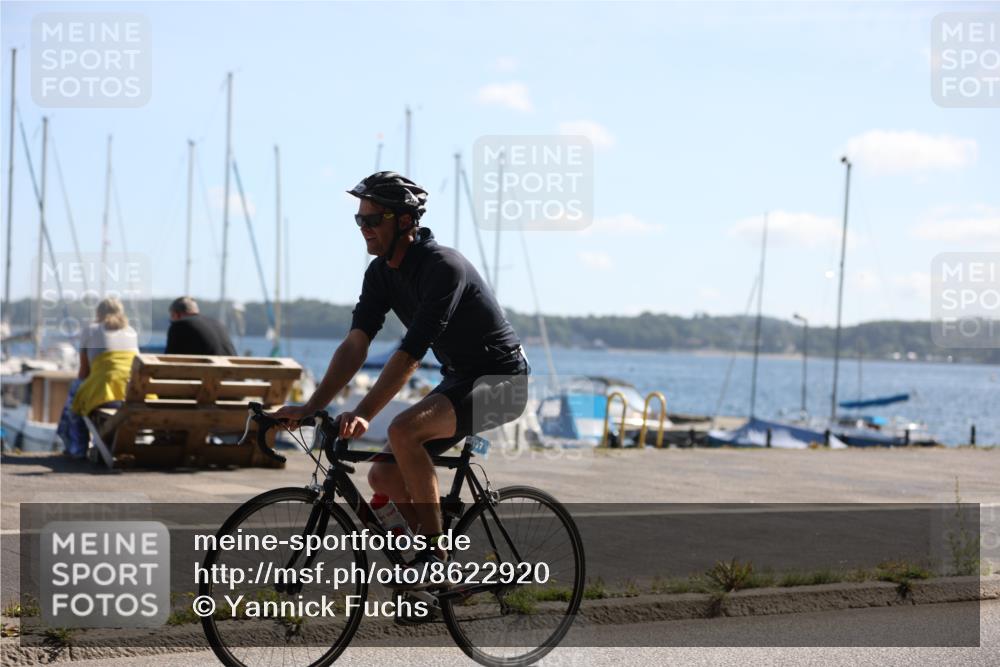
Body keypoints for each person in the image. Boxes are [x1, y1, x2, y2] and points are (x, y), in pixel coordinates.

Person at [275, 171, 528, 579]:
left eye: (373, 220)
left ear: (405, 222)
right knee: (383, 475)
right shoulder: (380, 275)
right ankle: (434, 578)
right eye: (359, 220)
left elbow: (411, 353)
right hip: (460, 378)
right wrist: (311, 406)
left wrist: (364, 412)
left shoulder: (442, 267)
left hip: (502, 381)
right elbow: (356, 343)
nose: (364, 230)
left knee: (404, 430)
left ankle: (436, 558)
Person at [58, 297, 140, 457]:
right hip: (132, 392)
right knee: (78, 395)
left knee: (75, 399)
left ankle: (77, 448)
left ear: (98, 312)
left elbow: (83, 373)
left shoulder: (90, 329)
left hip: (105, 391)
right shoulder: (131, 331)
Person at [164, 296, 237, 356]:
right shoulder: (218, 324)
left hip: (209, 372)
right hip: (235, 372)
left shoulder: (179, 325)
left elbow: (169, 359)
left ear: (176, 314)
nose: (172, 321)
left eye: (171, 317)